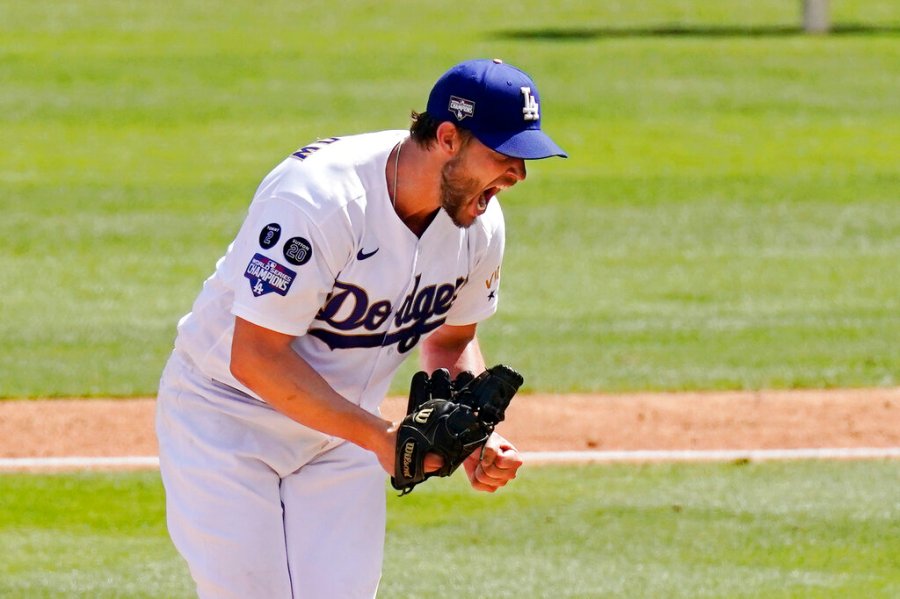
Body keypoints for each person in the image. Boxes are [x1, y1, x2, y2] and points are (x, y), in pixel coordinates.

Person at [155, 57, 567, 598]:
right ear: (447, 137)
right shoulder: (319, 200)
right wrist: (382, 438)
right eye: (503, 155)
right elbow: (255, 356)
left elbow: (450, 340)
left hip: (344, 431)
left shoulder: (478, 223)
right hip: (227, 421)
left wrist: (470, 434)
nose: (518, 174)